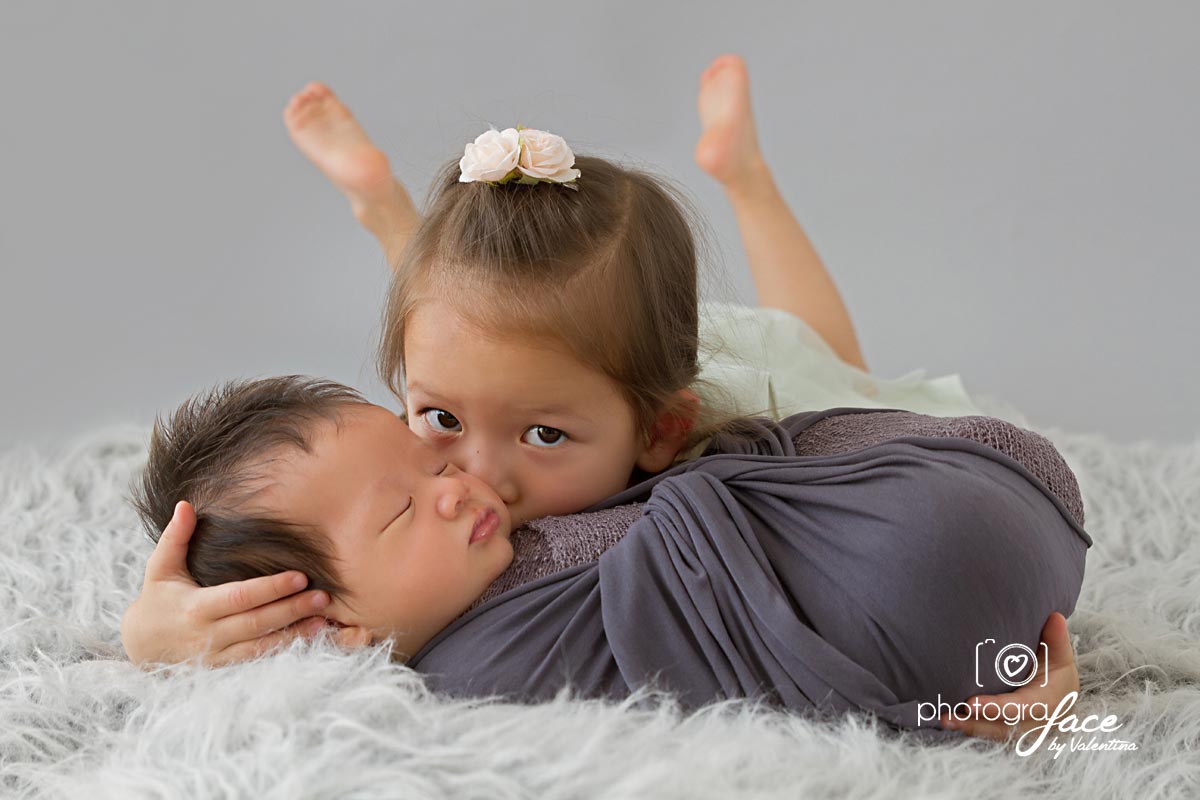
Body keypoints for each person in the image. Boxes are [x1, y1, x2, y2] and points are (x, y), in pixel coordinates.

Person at [121, 54, 1080, 742]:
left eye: (541, 437)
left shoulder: (688, 435)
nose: (473, 477)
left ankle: (746, 180)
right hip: (535, 362)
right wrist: (154, 634)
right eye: (436, 428)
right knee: (464, 339)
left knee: (823, 349)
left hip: (734, 374)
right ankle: (392, 220)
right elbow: (326, 499)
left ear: (657, 434)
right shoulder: (447, 454)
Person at [129, 375, 1089, 741]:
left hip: (969, 486)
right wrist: (155, 645)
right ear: (327, 626)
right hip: (959, 553)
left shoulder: (511, 508)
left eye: (433, 456)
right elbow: (740, 701)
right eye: (406, 510)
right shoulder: (470, 675)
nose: (463, 482)